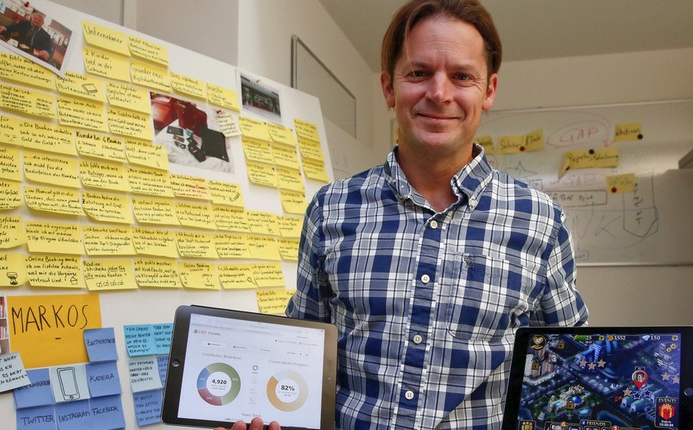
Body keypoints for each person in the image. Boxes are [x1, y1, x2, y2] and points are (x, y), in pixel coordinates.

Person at [223, 0, 588, 428]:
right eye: (418, 73)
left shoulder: (540, 220)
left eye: (461, 76)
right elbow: (300, 349)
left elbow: (566, 365)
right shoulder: (331, 208)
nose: (439, 93)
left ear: (487, 91)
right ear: (389, 88)